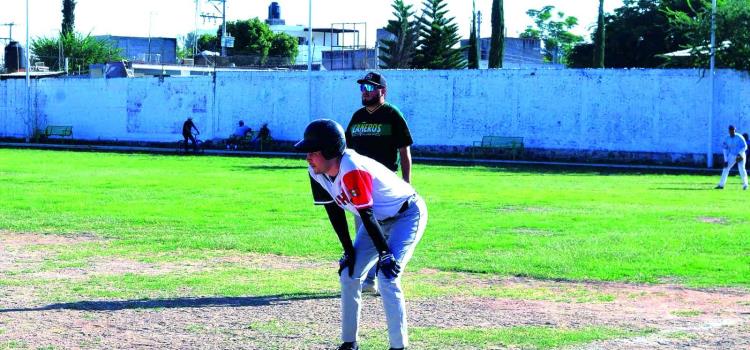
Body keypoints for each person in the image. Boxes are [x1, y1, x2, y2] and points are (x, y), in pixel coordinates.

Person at [295, 119, 427, 350]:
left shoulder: (352, 168)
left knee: (387, 276)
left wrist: (385, 254)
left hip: (406, 215)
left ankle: (399, 346)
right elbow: (333, 210)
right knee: (348, 273)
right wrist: (349, 251)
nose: (308, 157)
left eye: (312, 152)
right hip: (376, 220)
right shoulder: (316, 171)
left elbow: (365, 214)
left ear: (329, 150)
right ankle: (349, 343)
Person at [346, 72, 414, 295]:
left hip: (384, 186)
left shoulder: (392, 115)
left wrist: (406, 184)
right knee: (362, 233)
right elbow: (346, 151)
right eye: (362, 88)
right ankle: (363, 277)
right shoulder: (357, 117)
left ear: (382, 91)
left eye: (369, 88)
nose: (364, 92)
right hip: (358, 183)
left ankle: (377, 277)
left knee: (383, 232)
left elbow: (404, 151)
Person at [715, 125, 748, 190]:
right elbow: (724, 149)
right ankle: (721, 185)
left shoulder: (740, 137)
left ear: (735, 130)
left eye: (733, 130)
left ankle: (745, 185)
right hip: (732, 155)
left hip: (741, 154)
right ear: (729, 131)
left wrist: (739, 153)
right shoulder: (726, 138)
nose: (731, 132)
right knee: (725, 168)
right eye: (730, 131)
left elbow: (745, 147)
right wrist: (726, 160)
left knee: (741, 169)